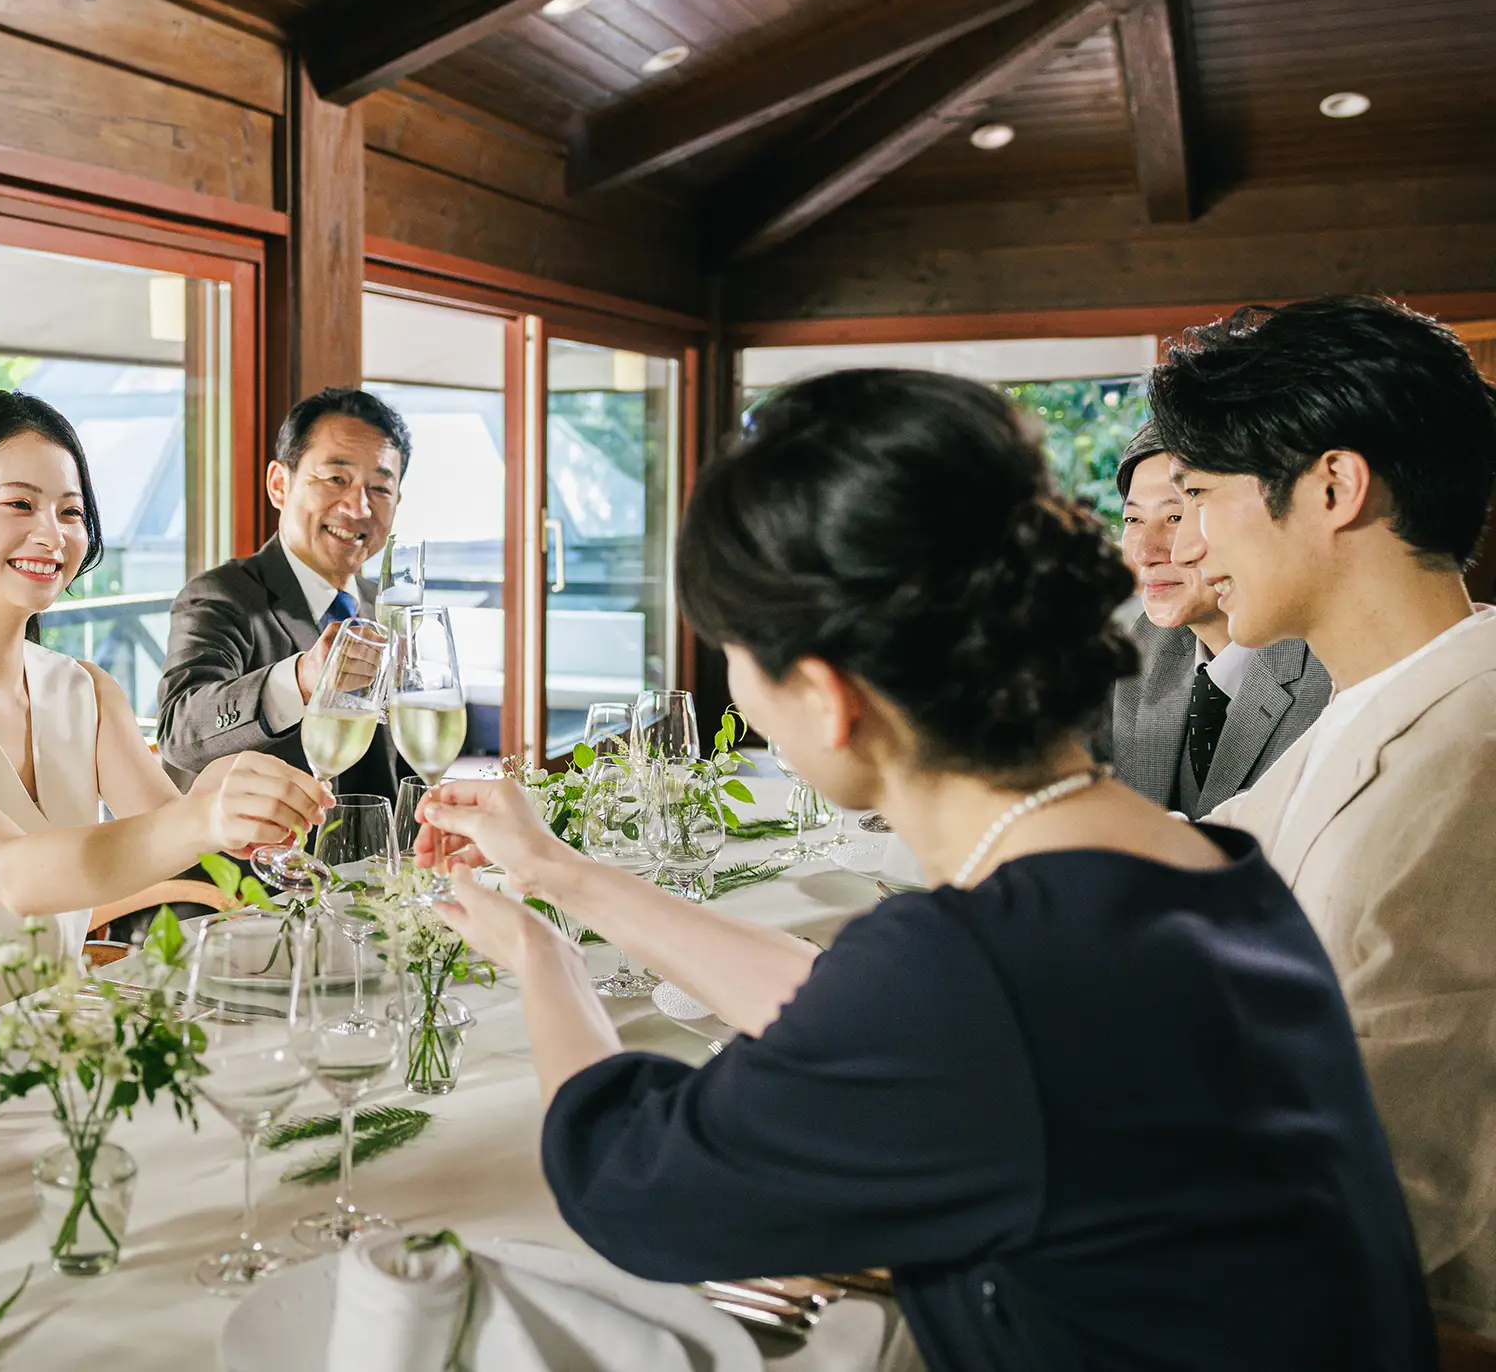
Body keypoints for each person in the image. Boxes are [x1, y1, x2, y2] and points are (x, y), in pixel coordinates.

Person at [413, 370, 1434, 1371]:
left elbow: (632, 1184)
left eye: (733, 654)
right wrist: (560, 877)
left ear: (827, 696)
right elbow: (864, 1015)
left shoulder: (974, 973)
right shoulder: (1189, 865)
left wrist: (542, 967)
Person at [1152, 295, 1496, 1341]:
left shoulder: (1473, 752)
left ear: (1334, 487)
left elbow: (1361, 1186)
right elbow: (1186, 868)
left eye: (1200, 496)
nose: (1186, 543)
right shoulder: (1378, 698)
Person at [0, 391, 324, 1047]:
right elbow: (10, 873)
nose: (52, 534)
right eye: (19, 504)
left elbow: (165, 839)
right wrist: (201, 818)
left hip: (50, 1054)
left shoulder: (84, 691)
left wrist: (222, 794)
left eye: (70, 512)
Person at [157, 387, 410, 799]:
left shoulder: (385, 606)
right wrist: (303, 678)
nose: (359, 508)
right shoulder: (221, 596)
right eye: (336, 479)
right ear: (279, 485)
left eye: (380, 489)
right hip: (255, 842)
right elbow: (181, 731)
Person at [1106, 420, 1329, 815]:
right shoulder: (1143, 647)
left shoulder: (1329, 670)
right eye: (1133, 520)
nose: (1146, 553)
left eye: (1176, 517)